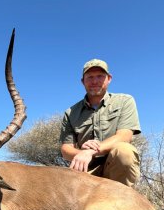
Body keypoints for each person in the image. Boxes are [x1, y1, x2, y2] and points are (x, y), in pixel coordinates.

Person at [60, 59, 141, 187]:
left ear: (109, 78)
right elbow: (66, 149)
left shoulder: (125, 101)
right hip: (85, 170)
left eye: (100, 76)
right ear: (83, 81)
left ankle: (120, 199)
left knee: (124, 151)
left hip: (115, 168)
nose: (95, 81)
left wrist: (90, 151)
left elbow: (124, 136)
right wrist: (81, 154)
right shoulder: (71, 112)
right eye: (90, 77)